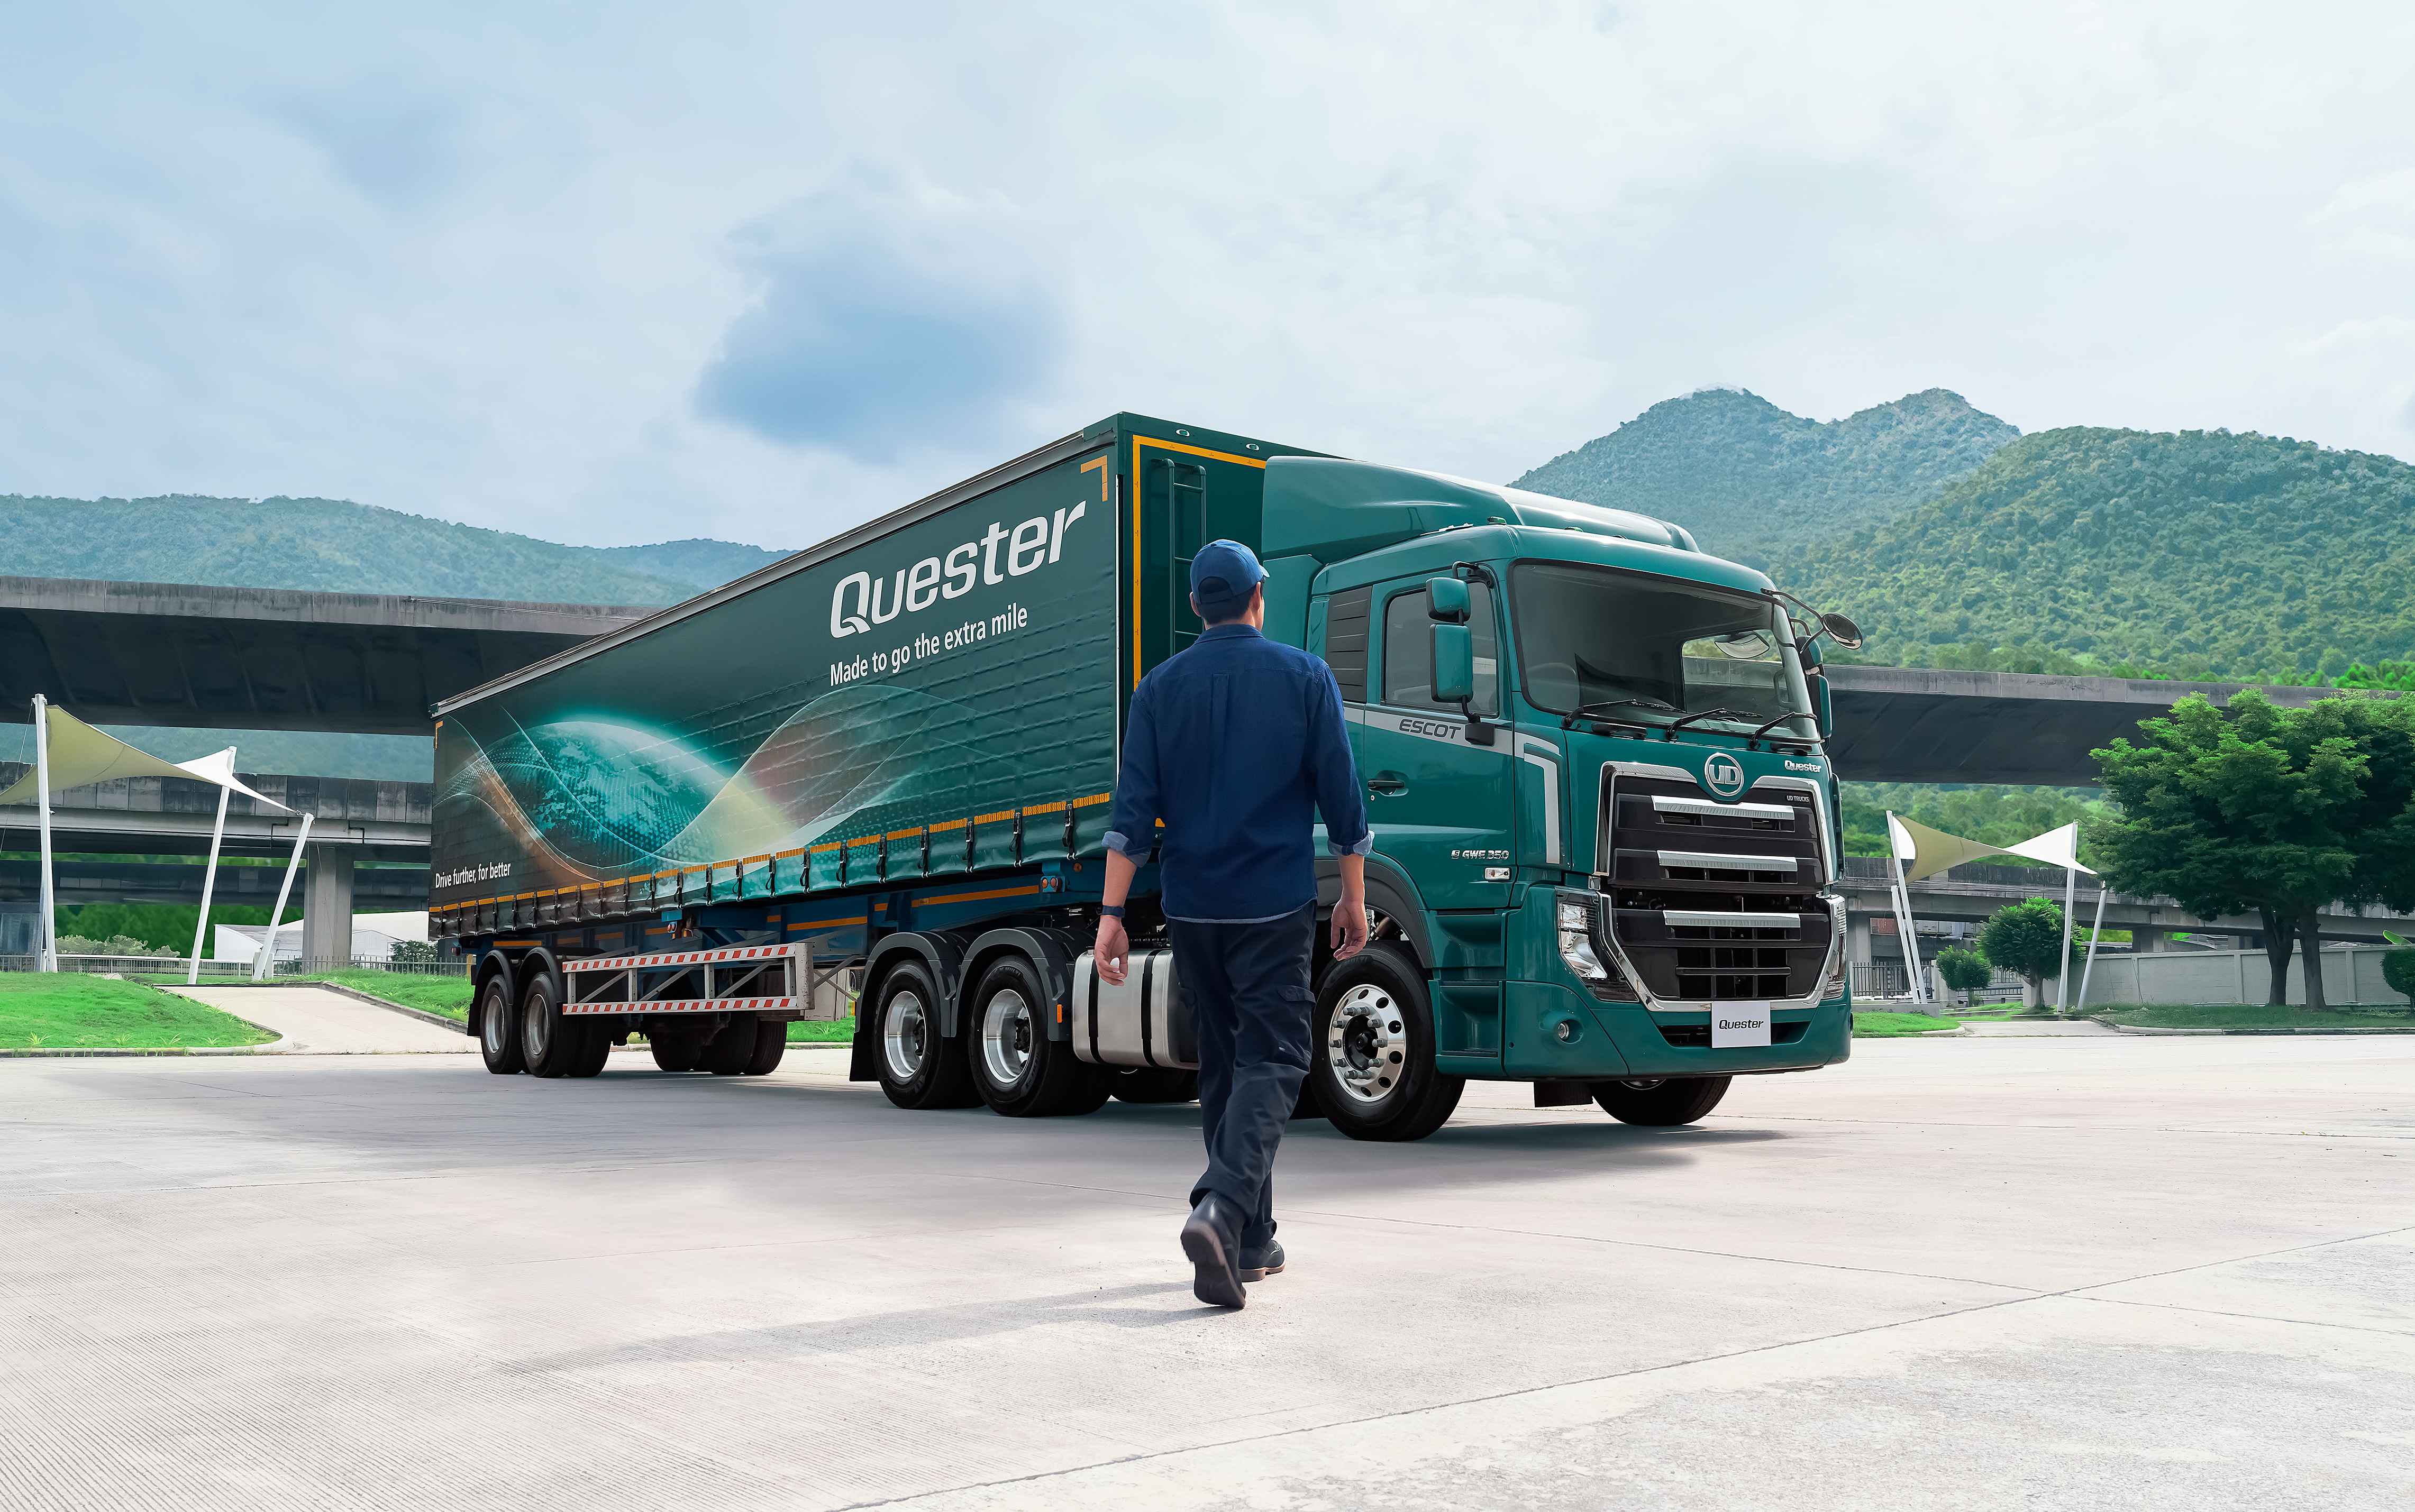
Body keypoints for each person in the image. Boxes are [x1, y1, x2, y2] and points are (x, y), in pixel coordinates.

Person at [1096, 538, 1372, 1309]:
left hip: (1192, 908)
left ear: (1196, 606)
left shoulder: (1158, 689)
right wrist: (1352, 896)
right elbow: (1344, 803)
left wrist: (1112, 915)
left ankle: (1251, 1238)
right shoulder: (1305, 676)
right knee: (1278, 1056)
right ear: (1260, 594)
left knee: (1226, 1065)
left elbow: (1130, 818)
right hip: (1274, 903)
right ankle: (1219, 1206)